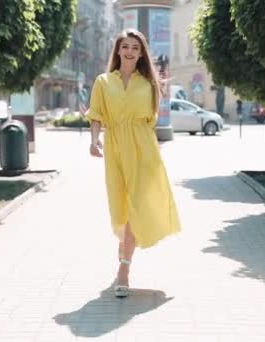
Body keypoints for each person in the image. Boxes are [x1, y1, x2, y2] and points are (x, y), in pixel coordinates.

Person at [85, 29, 181, 298]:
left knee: (138, 206)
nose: (129, 51)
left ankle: (123, 270)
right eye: (125, 46)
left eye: (135, 48)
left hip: (143, 148)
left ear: (141, 53)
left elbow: (150, 120)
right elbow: (96, 115)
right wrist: (94, 141)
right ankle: (125, 247)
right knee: (121, 207)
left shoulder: (149, 83)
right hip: (115, 146)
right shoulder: (103, 82)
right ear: (117, 50)